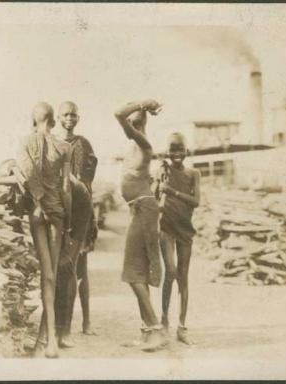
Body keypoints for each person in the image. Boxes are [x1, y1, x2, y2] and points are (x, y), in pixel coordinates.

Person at [15, 102, 72, 358]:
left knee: (45, 272)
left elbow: (25, 173)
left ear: (34, 119)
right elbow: (67, 190)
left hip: (37, 213)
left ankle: (46, 339)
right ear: (52, 120)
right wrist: (66, 219)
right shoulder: (64, 147)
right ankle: (50, 341)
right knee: (52, 275)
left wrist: (38, 200)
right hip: (58, 213)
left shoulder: (25, 142)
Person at [114, 99, 166, 352]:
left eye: (136, 120)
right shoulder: (134, 146)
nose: (132, 124)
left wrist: (142, 102)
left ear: (143, 121)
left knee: (133, 272)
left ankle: (155, 330)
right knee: (138, 271)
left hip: (144, 208)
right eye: (131, 120)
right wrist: (142, 106)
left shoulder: (144, 144)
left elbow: (117, 113)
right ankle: (147, 332)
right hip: (139, 208)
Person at [54, 101, 98, 348]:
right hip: (60, 209)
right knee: (65, 268)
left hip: (81, 208)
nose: (70, 118)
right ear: (58, 117)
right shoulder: (53, 142)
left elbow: (86, 179)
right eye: (65, 115)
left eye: (73, 115)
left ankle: (86, 321)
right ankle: (60, 327)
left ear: (78, 118)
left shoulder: (83, 144)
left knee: (81, 267)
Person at [152, 132, 200, 345]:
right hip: (167, 227)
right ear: (167, 152)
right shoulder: (163, 170)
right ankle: (164, 322)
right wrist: (159, 181)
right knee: (170, 271)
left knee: (183, 276)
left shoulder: (193, 173)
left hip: (185, 229)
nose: (177, 153)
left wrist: (171, 191)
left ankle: (182, 326)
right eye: (173, 149)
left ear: (186, 151)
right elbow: (154, 196)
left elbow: (196, 201)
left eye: (180, 149)